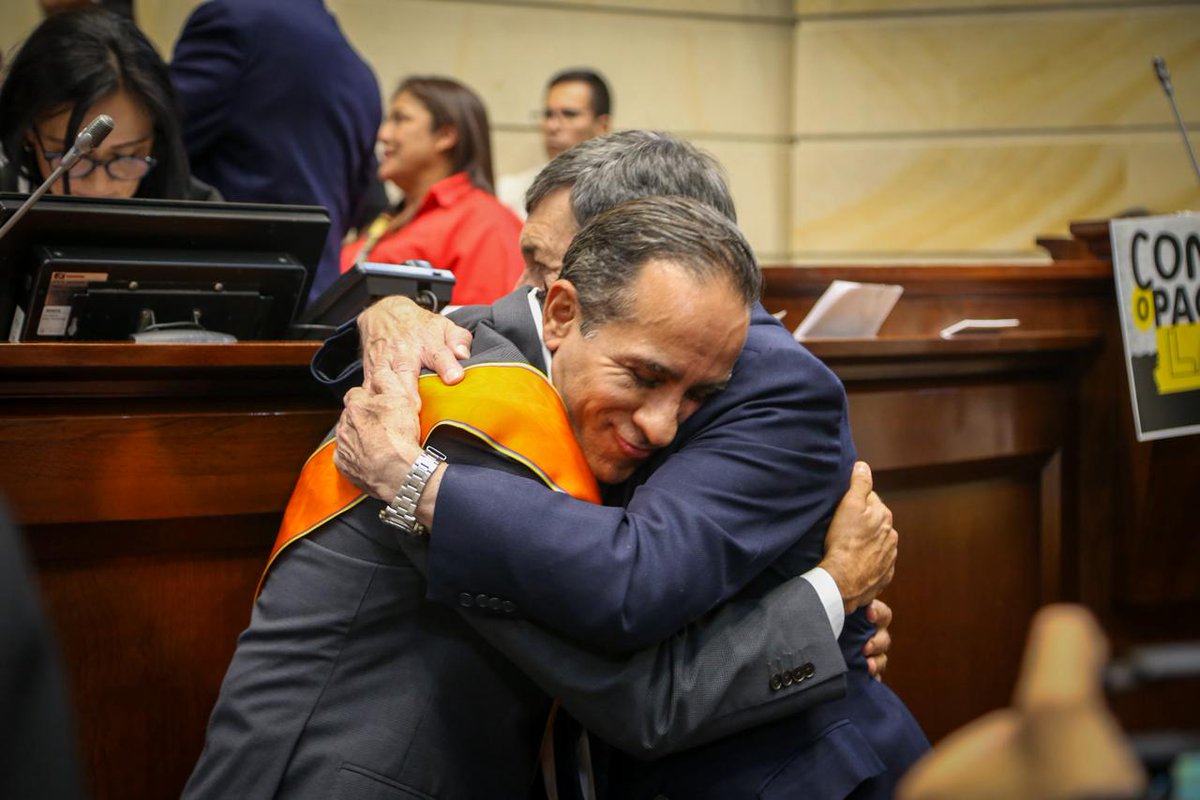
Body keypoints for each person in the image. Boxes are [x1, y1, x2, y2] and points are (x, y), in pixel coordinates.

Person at [183, 196, 888, 800]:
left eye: (698, 395)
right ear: (559, 311)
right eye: (644, 376)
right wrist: (833, 590)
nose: (664, 424)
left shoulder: (531, 384)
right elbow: (645, 698)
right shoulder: (469, 413)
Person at [327, 130, 928, 798]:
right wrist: (389, 313)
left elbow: (636, 585)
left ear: (666, 246)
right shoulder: (570, 349)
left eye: (554, 270)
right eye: (537, 271)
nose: (527, 300)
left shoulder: (772, 381)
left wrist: (412, 483)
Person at [169, 0, 381, 302]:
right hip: (316, 295)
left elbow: (160, 141)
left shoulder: (236, 20)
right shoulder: (361, 74)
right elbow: (358, 198)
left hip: (227, 289)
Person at [339, 76, 523, 306]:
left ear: (445, 136)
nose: (383, 134)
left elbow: (486, 329)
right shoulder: (396, 215)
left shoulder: (487, 223)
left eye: (400, 119)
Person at [0, 7, 216, 200]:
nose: (99, 188)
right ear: (29, 131)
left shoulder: (202, 213)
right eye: (70, 156)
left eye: (127, 156)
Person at [497, 68, 612, 219]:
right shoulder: (509, 194)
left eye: (569, 114)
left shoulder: (622, 198)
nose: (552, 126)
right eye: (548, 114)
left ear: (602, 126)